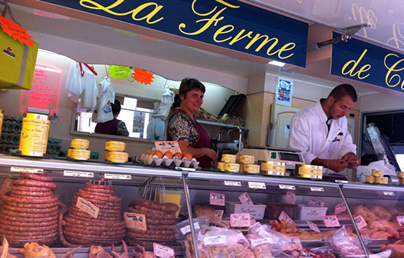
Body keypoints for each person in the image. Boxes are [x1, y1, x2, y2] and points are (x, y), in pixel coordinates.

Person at [288, 84, 360, 174]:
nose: (346, 113)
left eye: (349, 109)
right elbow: (298, 153)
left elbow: (346, 143)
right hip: (304, 176)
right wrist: (327, 164)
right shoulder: (303, 117)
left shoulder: (342, 120)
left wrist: (350, 155)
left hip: (328, 179)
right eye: (343, 107)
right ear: (331, 100)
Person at [166, 78, 218, 169]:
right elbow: (183, 151)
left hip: (197, 176)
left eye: (201, 97)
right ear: (182, 96)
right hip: (186, 176)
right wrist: (206, 151)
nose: (199, 101)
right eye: (195, 95)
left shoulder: (190, 118)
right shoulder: (180, 118)